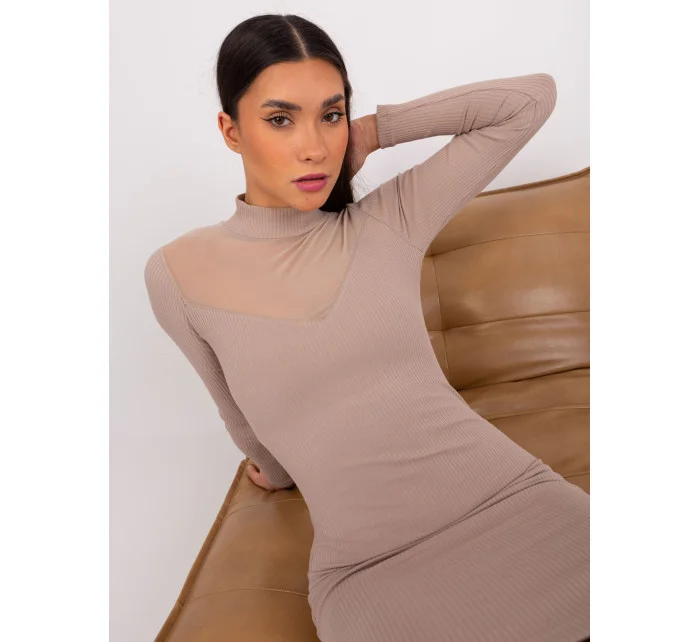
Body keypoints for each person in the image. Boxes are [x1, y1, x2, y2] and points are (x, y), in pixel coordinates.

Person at [144, 12, 589, 642]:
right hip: (370, 570)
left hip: (513, 504)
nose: (314, 147)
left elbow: (529, 100)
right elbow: (239, 416)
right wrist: (271, 469)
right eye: (280, 119)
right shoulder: (176, 273)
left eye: (329, 115)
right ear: (230, 131)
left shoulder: (388, 222)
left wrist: (375, 131)